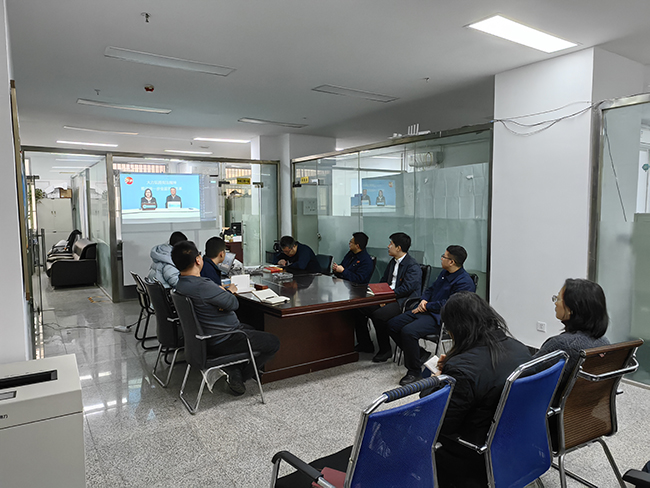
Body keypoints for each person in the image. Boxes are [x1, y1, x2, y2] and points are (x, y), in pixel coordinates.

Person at [428, 292, 531, 488]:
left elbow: (442, 425)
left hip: (473, 453)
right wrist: (451, 364)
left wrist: (436, 382)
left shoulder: (462, 369)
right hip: (516, 441)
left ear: (456, 328)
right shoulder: (520, 349)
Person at [172, 240, 280, 395]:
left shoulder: (181, 284)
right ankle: (240, 377)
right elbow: (233, 303)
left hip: (204, 338)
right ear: (198, 260)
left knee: (251, 328)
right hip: (223, 338)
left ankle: (234, 368)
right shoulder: (202, 286)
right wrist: (227, 292)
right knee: (273, 342)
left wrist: (217, 293)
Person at [388, 245, 476, 385]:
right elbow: (430, 289)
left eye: (444, 256)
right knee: (392, 324)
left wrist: (427, 306)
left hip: (442, 319)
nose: (441, 258)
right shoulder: (445, 273)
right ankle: (420, 353)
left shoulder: (464, 282)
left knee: (408, 331)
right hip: (426, 311)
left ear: (452, 262)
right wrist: (424, 300)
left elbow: (450, 305)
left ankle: (414, 372)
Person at [534, 278, 610, 395]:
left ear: (571, 309)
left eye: (558, 299)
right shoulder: (604, 342)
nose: (555, 303)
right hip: (584, 403)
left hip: (549, 404)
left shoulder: (561, 346)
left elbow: (524, 375)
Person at [355, 232, 421, 358]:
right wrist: (378, 294)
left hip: (403, 301)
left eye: (391, 244)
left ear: (398, 248)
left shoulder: (412, 265)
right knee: (359, 308)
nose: (388, 246)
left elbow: (407, 289)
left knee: (379, 316)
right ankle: (365, 344)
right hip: (389, 296)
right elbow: (384, 281)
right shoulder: (393, 262)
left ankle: (385, 350)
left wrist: (387, 297)